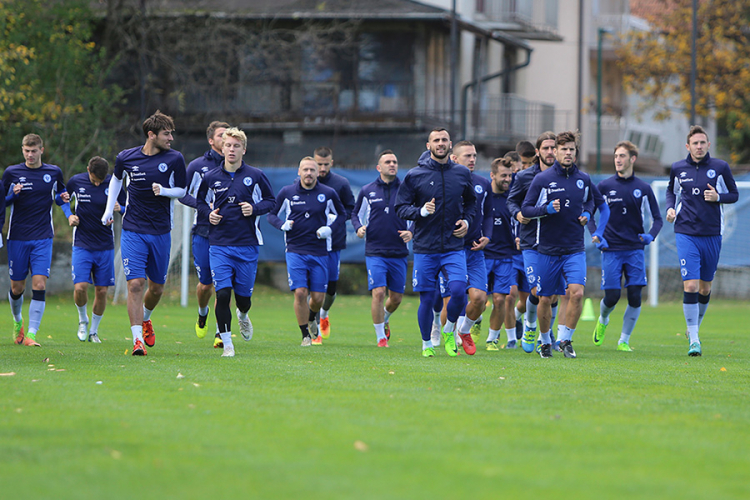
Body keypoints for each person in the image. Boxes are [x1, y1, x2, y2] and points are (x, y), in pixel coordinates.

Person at [101, 111, 187, 356]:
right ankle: (137, 340)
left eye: (171, 133)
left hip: (160, 231)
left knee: (157, 288)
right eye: (166, 133)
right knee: (136, 284)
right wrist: (109, 210)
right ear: (151, 135)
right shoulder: (126, 157)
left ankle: (146, 319)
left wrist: (165, 191)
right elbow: (116, 181)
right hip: (133, 230)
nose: (171, 138)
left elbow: (182, 190)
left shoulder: (175, 158)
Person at [521, 131, 610, 359]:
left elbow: (595, 203)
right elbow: (526, 210)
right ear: (556, 152)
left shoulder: (584, 179)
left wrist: (588, 214)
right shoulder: (542, 179)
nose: (567, 153)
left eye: (571, 149)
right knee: (545, 298)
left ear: (575, 152)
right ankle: (544, 341)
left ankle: (565, 339)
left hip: (574, 249)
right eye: (563, 149)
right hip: (547, 249)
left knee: (577, 293)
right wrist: (546, 210)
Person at [394, 128, 476, 358]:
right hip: (425, 249)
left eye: (444, 140)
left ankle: (450, 330)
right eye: (436, 140)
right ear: (428, 145)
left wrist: (467, 223)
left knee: (459, 292)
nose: (440, 143)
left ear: (451, 145)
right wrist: (420, 211)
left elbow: (471, 204)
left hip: (453, 247)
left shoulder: (461, 173)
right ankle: (426, 344)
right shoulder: (415, 175)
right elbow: (400, 207)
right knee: (428, 298)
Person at [196, 127, 275, 357]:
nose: (231, 149)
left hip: (247, 245)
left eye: (236, 146)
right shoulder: (210, 177)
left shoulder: (256, 175)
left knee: (243, 300)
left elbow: (271, 201)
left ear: (244, 150)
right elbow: (200, 202)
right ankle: (227, 344)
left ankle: (242, 316)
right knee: (222, 294)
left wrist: (255, 208)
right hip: (219, 245)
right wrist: (208, 215)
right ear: (222, 148)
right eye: (228, 145)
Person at [665, 125, 738, 356]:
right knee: (691, 285)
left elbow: (734, 194)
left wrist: (718, 197)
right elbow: (671, 192)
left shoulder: (720, 167)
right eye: (694, 143)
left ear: (708, 145)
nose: (698, 146)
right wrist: (669, 209)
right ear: (688, 146)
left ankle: (694, 328)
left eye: (702, 143)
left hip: (713, 234)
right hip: (686, 232)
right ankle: (694, 339)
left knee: (705, 289)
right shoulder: (678, 168)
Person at [590, 141, 663, 351]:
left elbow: (657, 219)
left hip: (635, 250)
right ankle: (603, 320)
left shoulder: (644, 188)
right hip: (611, 250)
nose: (618, 160)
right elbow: (590, 214)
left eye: (622, 156)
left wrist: (651, 236)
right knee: (612, 297)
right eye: (615, 156)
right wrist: (597, 234)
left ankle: (624, 340)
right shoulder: (603, 186)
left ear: (632, 159)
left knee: (635, 296)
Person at [267, 157, 345, 346]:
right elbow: (271, 215)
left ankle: (312, 317)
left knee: (318, 298)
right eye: (305, 170)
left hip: (319, 251)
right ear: (299, 172)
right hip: (295, 250)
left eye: (312, 170)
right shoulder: (287, 192)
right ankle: (305, 335)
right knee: (300, 293)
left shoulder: (328, 193)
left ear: (318, 173)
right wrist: (282, 224)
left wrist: (330, 229)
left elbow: (342, 215)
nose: (309, 173)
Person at [3, 134, 67, 347]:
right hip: (18, 237)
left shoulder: (53, 172)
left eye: (34, 150)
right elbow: (2, 202)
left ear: (42, 150)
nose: (30, 155)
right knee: (17, 288)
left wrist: (64, 200)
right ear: (22, 150)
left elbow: (60, 195)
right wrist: (13, 195)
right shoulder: (12, 173)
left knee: (39, 283)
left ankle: (32, 334)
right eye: (26, 151)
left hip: (43, 237)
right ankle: (18, 321)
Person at [62, 156, 126, 343]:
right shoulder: (76, 181)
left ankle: (94, 331)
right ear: (88, 170)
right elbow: (62, 199)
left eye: (101, 180)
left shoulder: (113, 183)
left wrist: (119, 207)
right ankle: (83, 320)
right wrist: (69, 215)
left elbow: (128, 205)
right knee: (80, 287)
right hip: (82, 243)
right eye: (95, 179)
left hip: (105, 245)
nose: (98, 183)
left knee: (102, 292)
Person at [507, 131, 561, 353]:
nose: (550, 152)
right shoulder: (524, 177)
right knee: (538, 291)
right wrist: (518, 215)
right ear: (538, 151)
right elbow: (511, 201)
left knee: (554, 294)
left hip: (557, 242)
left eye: (553, 148)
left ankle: (545, 335)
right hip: (531, 242)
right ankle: (530, 326)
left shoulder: (565, 176)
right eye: (545, 148)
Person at [351, 150, 412, 347]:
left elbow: (416, 215)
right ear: (379, 167)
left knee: (396, 298)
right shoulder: (367, 190)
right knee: (378, 292)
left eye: (394, 161)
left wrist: (412, 232)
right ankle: (380, 337)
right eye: (387, 162)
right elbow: (355, 215)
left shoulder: (407, 190)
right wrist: (358, 228)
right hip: (375, 251)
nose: (392, 164)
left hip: (399, 252)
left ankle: (385, 318)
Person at [179, 120, 230, 348]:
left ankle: (221, 331)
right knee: (205, 285)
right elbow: (183, 194)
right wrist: (205, 207)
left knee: (223, 285)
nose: (226, 139)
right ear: (211, 140)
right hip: (202, 231)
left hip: (228, 234)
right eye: (222, 135)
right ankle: (202, 312)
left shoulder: (237, 165)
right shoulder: (198, 166)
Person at [451, 140, 492, 355]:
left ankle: (464, 331)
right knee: (452, 299)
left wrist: (487, 236)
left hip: (475, 251)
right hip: (450, 250)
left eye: (474, 155)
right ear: (454, 159)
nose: (473, 159)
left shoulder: (483, 184)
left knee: (480, 299)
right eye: (468, 155)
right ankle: (442, 332)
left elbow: (489, 214)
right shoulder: (445, 182)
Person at [313, 146, 355, 339]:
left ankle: (324, 314)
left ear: (331, 162)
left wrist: (335, 218)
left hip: (334, 242)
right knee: (311, 287)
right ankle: (312, 324)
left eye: (325, 164)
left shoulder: (341, 183)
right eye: (318, 164)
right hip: (310, 243)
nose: (321, 168)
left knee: (330, 288)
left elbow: (350, 208)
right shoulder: (303, 182)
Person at [483, 157, 519, 349]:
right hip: (482, 256)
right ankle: (468, 327)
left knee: (500, 300)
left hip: (505, 256)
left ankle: (492, 339)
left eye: (510, 176)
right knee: (478, 300)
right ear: (492, 175)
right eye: (503, 176)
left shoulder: (513, 199)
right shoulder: (482, 196)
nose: (507, 179)